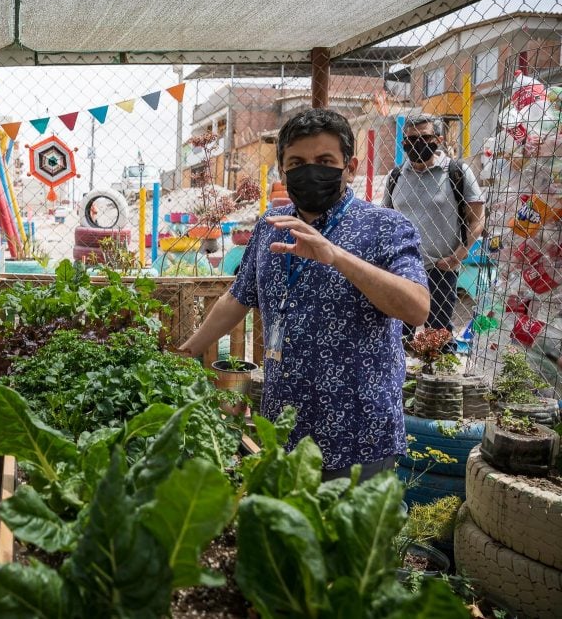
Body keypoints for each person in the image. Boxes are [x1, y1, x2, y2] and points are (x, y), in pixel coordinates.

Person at [181, 108, 430, 481]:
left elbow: (417, 308)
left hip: (358, 434)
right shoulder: (271, 228)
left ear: (351, 167)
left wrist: (336, 256)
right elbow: (237, 298)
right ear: (282, 171)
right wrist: (185, 353)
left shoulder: (386, 227)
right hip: (284, 429)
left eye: (325, 160)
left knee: (349, 540)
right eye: (297, 162)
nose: (310, 171)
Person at [383, 114, 485, 345]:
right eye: (410, 139)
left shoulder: (456, 172)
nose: (417, 143)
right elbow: (386, 218)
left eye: (424, 137)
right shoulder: (396, 176)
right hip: (402, 267)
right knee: (398, 337)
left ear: (438, 139)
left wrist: (459, 255)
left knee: (438, 338)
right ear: (403, 143)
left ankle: (437, 379)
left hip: (440, 267)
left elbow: (477, 218)